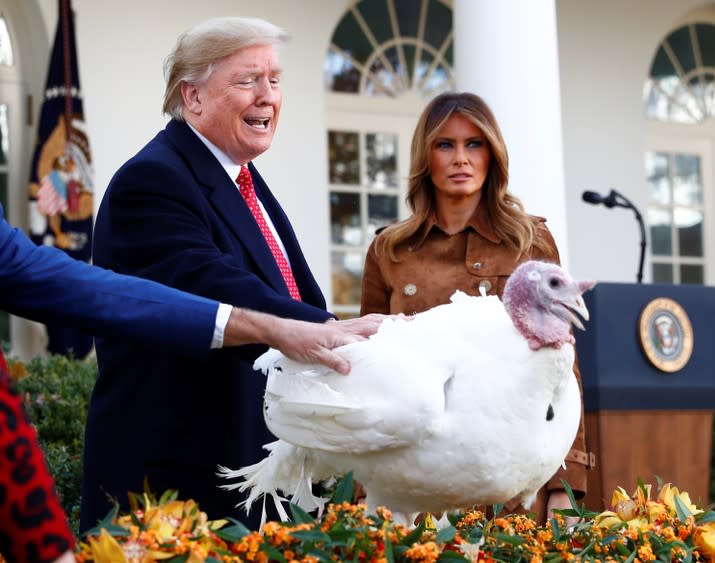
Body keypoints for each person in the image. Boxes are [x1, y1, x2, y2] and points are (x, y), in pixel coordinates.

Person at [80, 16, 385, 533]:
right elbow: (212, 282)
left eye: (275, 79)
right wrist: (329, 332)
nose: (267, 95)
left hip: (250, 470)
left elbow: (281, 286)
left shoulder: (241, 176)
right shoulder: (152, 179)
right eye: (247, 81)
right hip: (179, 486)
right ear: (193, 97)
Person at [0, 205, 371, 562]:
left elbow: (34, 270)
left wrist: (279, 328)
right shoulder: (150, 178)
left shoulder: (248, 183)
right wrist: (282, 328)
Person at [360, 91, 594, 524]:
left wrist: (565, 484)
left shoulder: (530, 241)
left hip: (509, 484)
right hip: (414, 482)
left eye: (474, 144)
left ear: (493, 155)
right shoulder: (388, 250)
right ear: (425, 157)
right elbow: (368, 373)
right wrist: (361, 486)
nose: (460, 158)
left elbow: (562, 372)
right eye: (445, 145)